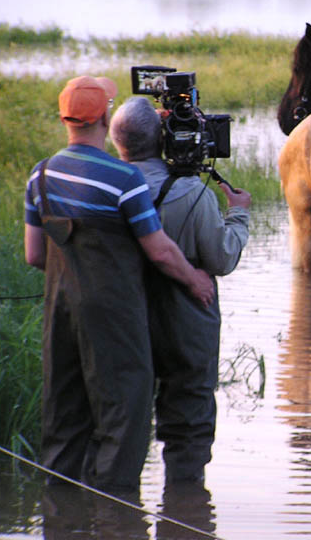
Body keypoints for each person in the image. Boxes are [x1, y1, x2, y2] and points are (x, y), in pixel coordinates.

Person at [24, 76, 215, 495]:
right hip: (114, 315)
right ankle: (116, 514)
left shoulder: (39, 176)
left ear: (65, 118)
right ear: (104, 118)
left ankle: (63, 513)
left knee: (64, 413)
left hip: (60, 312)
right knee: (123, 416)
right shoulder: (122, 179)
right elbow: (160, 251)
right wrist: (196, 280)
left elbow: (35, 255)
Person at [110, 96, 251, 485]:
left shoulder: (105, 190)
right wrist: (239, 214)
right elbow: (221, 260)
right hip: (186, 319)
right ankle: (186, 507)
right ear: (164, 139)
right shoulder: (192, 192)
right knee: (189, 415)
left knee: (123, 416)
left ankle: (119, 511)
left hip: (125, 318)